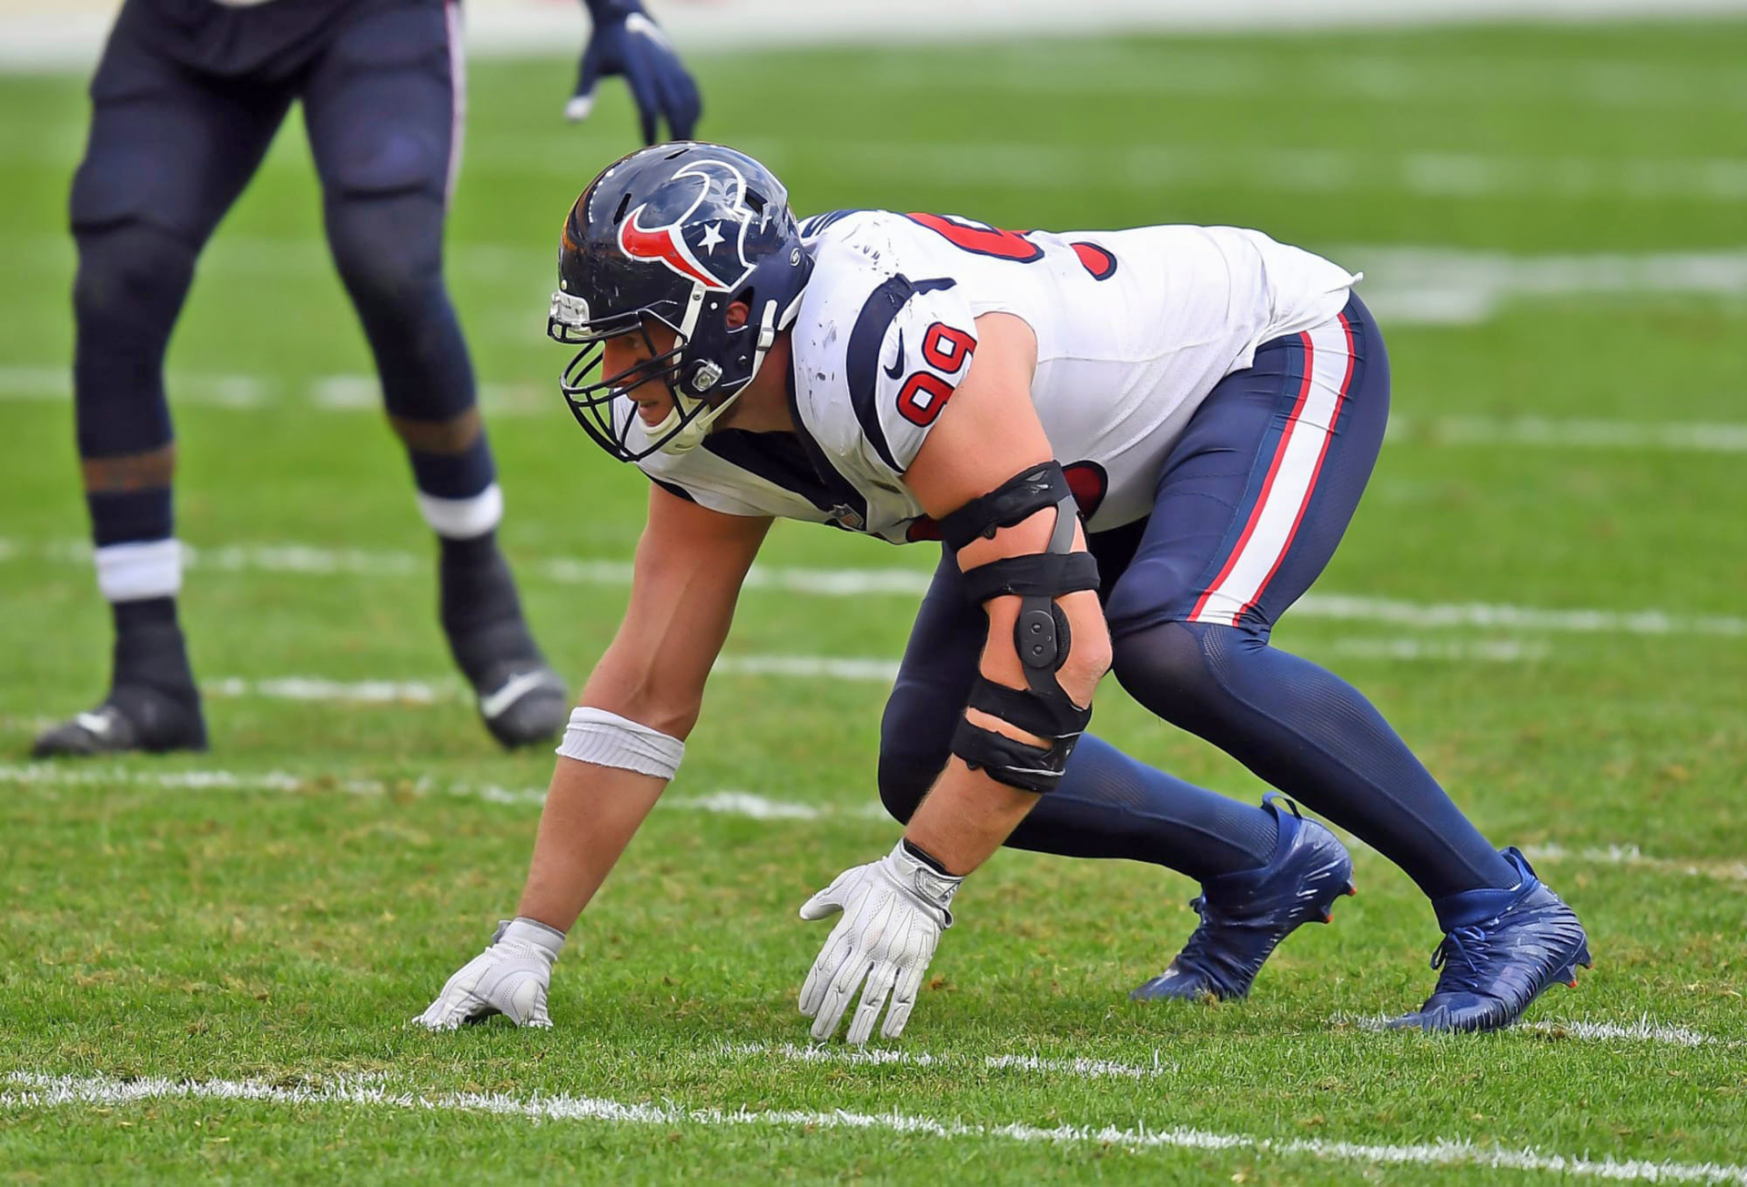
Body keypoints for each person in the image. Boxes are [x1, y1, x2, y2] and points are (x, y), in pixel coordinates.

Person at [413, 142, 1591, 1043]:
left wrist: (923, 880)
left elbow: (1056, 651)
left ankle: (1497, 904)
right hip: (1074, 464)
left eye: (639, 335)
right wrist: (532, 936)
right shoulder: (703, 430)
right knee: (923, 759)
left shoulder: (888, 344)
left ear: (738, 313)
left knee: (1176, 642)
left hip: (1252, 355)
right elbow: (649, 687)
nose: (619, 371)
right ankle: (1264, 865)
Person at [34, 0, 699, 758]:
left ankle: (481, 600)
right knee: (119, 282)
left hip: (369, 13)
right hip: (183, 20)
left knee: (389, 264)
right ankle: (147, 671)